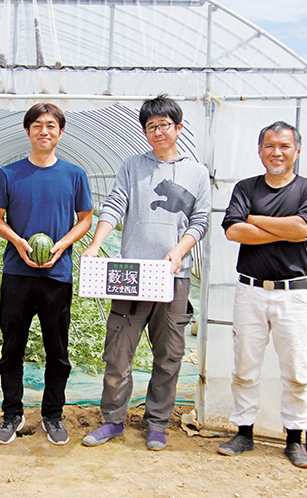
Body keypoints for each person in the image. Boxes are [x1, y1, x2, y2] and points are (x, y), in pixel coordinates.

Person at [81, 95, 211, 451]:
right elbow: (115, 204)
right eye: (151, 126)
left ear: (178, 128)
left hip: (174, 277)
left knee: (168, 355)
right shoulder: (132, 165)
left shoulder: (196, 173)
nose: (158, 132)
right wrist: (96, 244)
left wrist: (179, 251)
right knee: (118, 352)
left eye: (164, 125)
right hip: (132, 274)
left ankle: (157, 423)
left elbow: (200, 219)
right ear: (144, 131)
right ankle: (113, 420)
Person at [217, 121, 307, 468]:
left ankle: (295, 439)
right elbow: (234, 232)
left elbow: (302, 229)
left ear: (297, 150)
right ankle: (244, 433)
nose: (276, 152)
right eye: (269, 146)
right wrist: (282, 228)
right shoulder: (246, 187)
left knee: (296, 369)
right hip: (250, 290)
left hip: (293, 294)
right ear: (259, 150)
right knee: (245, 366)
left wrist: (256, 220)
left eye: (284, 146)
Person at [0, 103, 93, 446]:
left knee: (57, 350)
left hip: (57, 275)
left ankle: (52, 414)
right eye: (37, 125)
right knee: (11, 348)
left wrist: (62, 245)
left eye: (51, 126)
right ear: (28, 131)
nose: (44, 131)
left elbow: (85, 219)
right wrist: (18, 242)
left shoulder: (74, 174)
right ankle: (11, 414)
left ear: (60, 132)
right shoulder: (8, 173)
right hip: (17, 274)